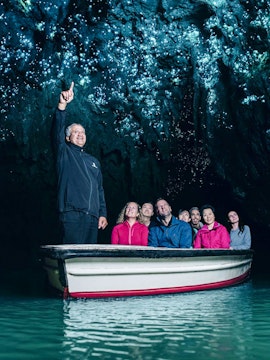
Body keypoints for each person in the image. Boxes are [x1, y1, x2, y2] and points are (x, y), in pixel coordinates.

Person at [52, 82, 108, 244]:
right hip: (71, 214)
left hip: (92, 216)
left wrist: (102, 213)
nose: (80, 134)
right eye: (75, 132)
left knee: (88, 257)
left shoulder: (94, 161)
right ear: (68, 137)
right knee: (71, 255)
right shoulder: (64, 152)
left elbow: (99, 190)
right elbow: (57, 130)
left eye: (82, 132)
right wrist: (62, 104)